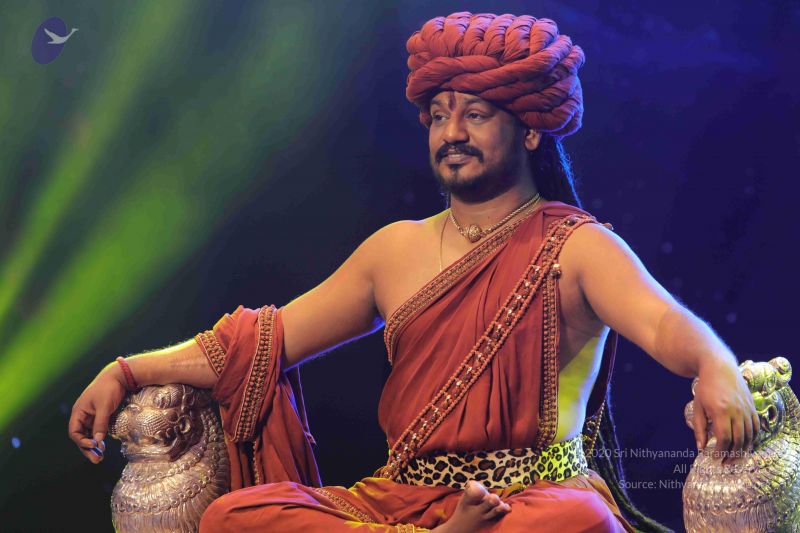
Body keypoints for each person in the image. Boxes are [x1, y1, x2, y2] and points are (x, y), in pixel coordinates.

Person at [68, 12, 760, 532]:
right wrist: (126, 370)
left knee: (578, 523)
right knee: (234, 516)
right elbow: (260, 341)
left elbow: (662, 321)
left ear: (529, 129)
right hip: (401, 503)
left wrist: (715, 363)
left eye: (475, 114)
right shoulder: (394, 250)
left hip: (526, 505)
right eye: (438, 116)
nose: (451, 133)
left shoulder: (576, 246)